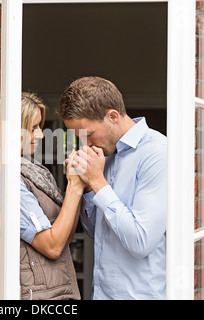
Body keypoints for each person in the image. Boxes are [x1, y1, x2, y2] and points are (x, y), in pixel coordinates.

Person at [59, 76, 167, 300]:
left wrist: (98, 181)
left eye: (88, 134)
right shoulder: (104, 154)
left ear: (113, 116)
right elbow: (95, 230)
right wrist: (86, 187)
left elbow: (141, 242)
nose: (85, 144)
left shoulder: (157, 153)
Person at [0, 92, 83, 300]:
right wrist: (74, 187)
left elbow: (65, 237)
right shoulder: (3, 180)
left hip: (54, 291)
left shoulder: (31, 171)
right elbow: (53, 246)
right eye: (33, 128)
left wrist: (77, 186)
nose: (41, 135)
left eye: (40, 126)